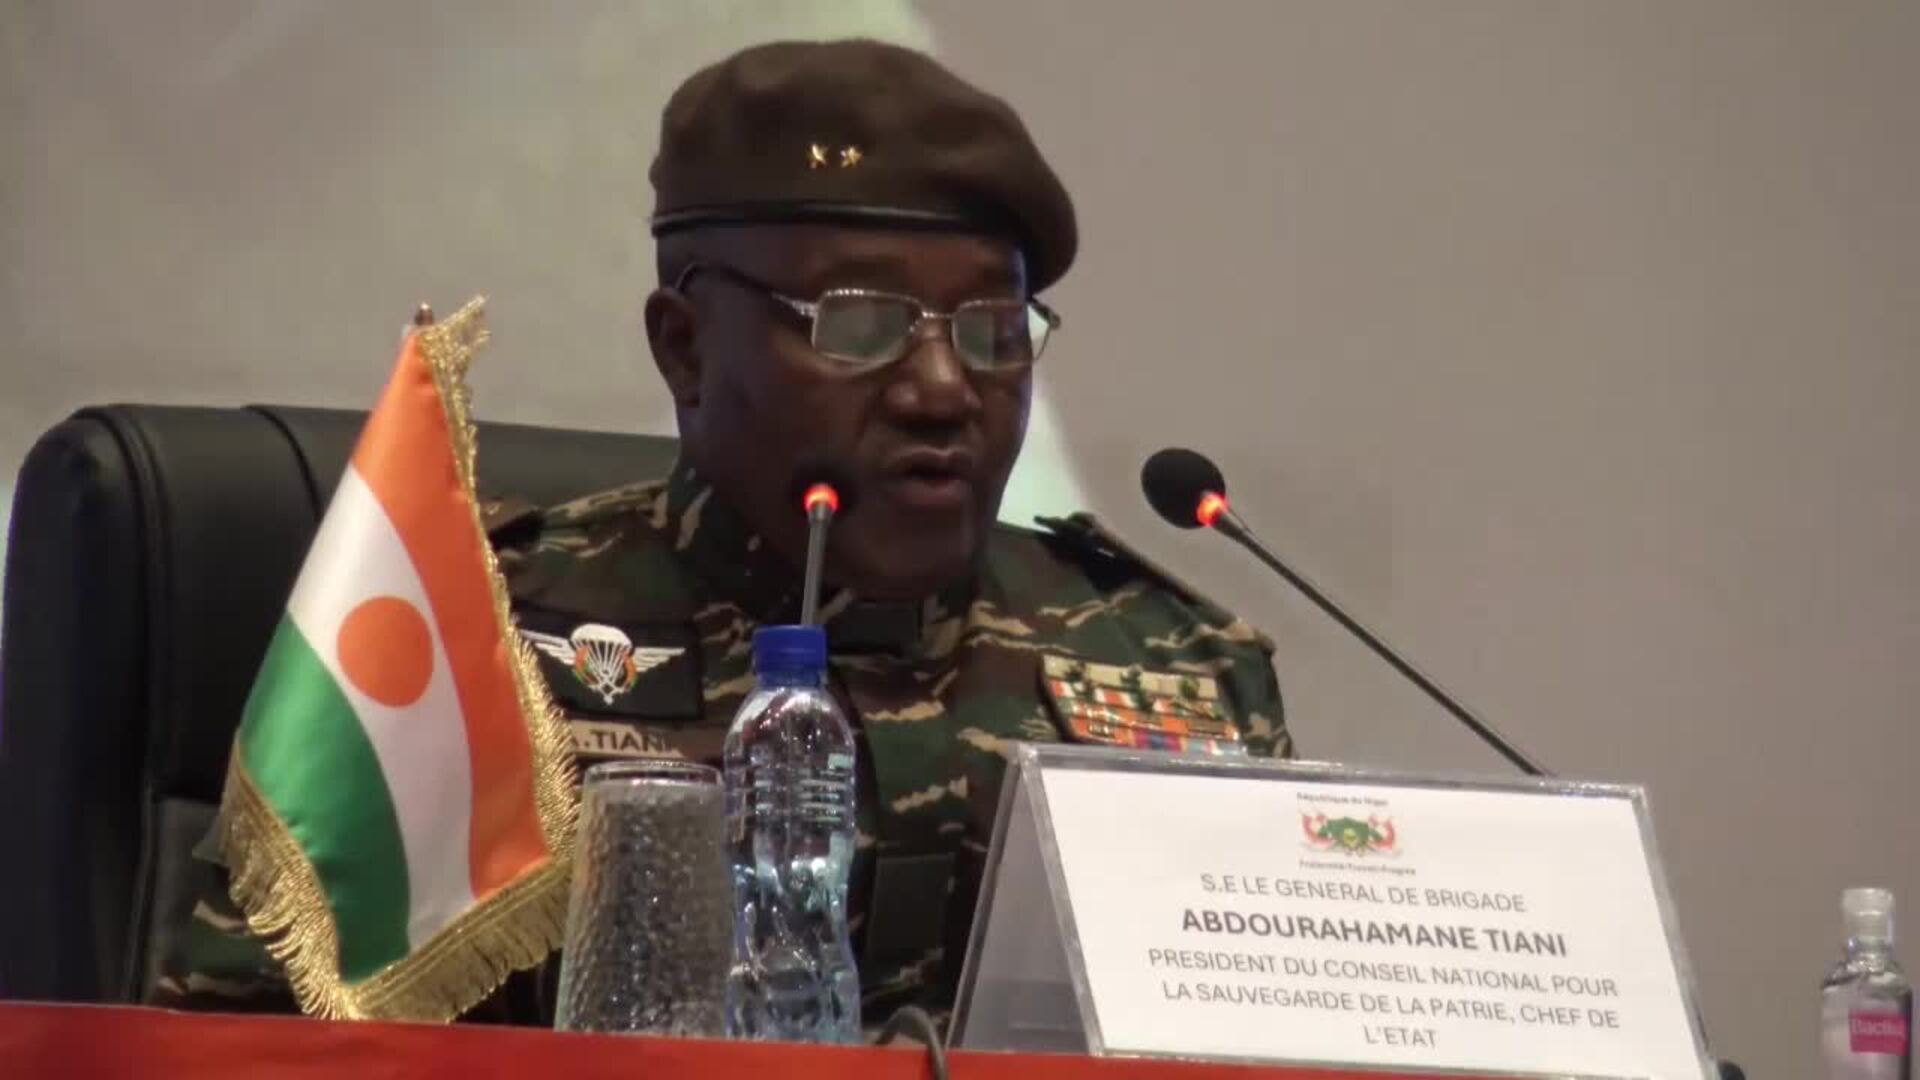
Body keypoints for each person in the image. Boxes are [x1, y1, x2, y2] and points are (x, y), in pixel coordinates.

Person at [152, 37, 1292, 1027]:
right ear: (684, 347)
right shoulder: (466, 644)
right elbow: (240, 1049)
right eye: (859, 327)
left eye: (994, 331)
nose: (944, 390)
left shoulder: (1171, 663)